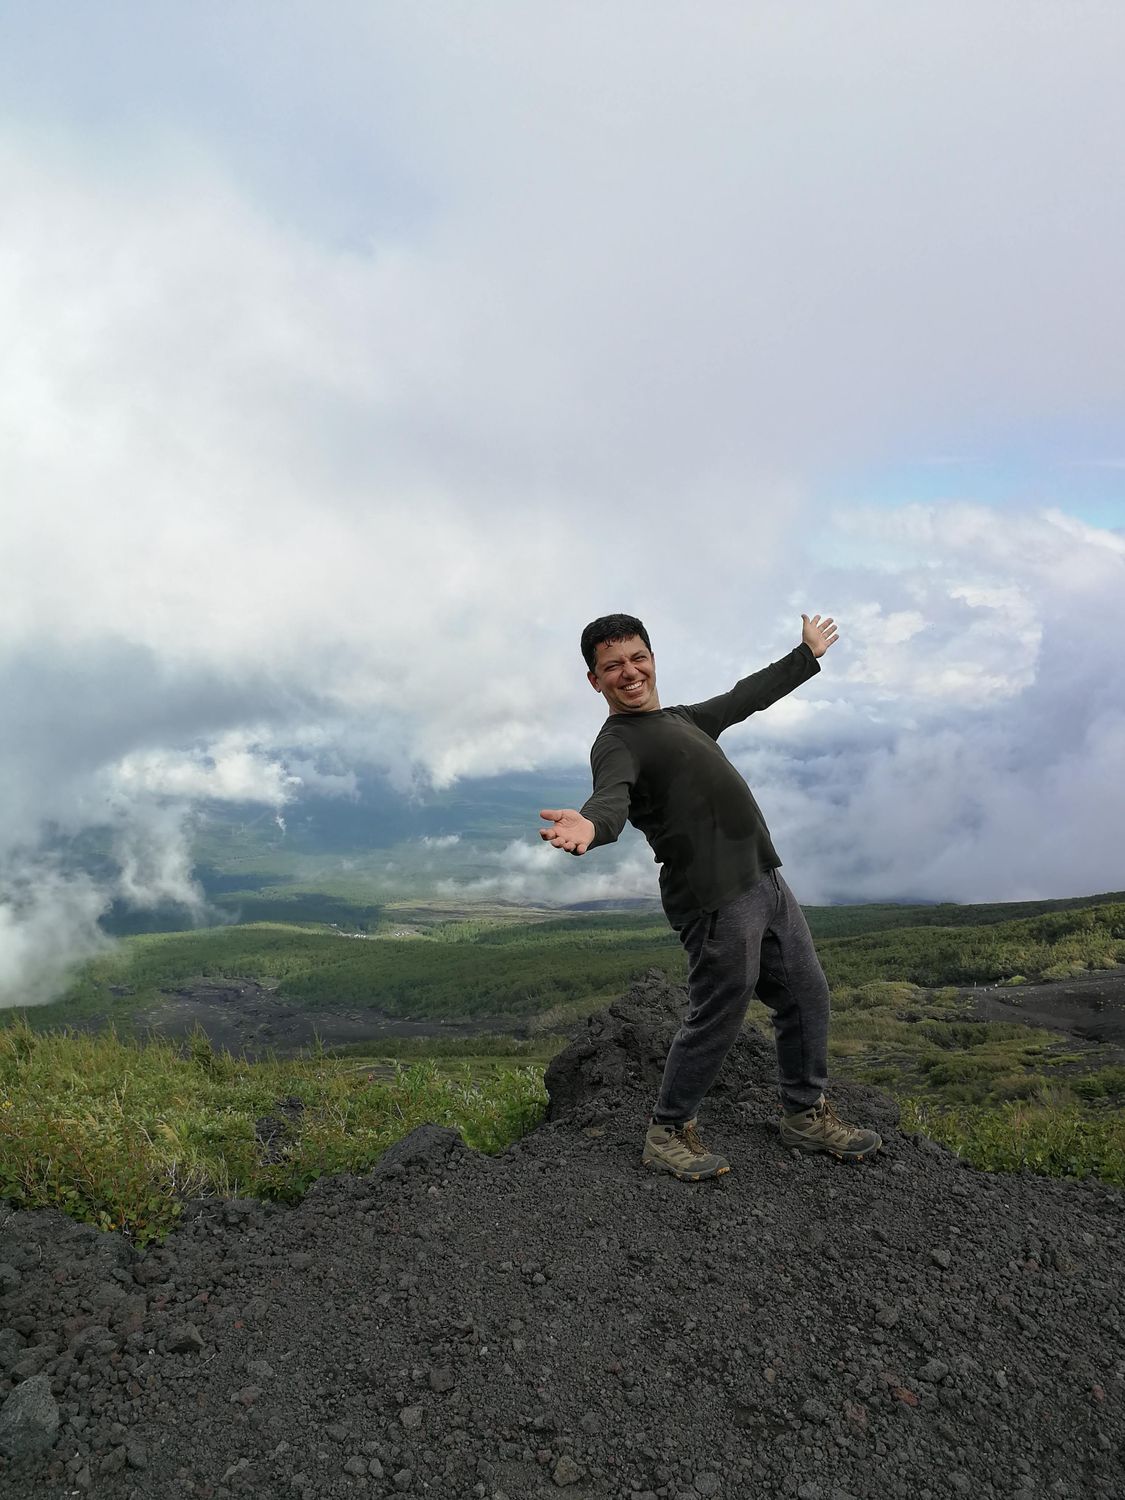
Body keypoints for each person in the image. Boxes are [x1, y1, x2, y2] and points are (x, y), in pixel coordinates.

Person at [538, 611, 881, 1182]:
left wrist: (806, 655)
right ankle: (667, 1131)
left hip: (765, 880)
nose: (629, 673)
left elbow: (745, 697)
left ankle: (804, 1115)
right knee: (719, 1015)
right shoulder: (617, 743)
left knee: (806, 996)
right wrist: (592, 827)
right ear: (594, 681)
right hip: (715, 900)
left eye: (637, 658)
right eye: (612, 667)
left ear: (652, 658)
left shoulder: (683, 718)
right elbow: (611, 799)